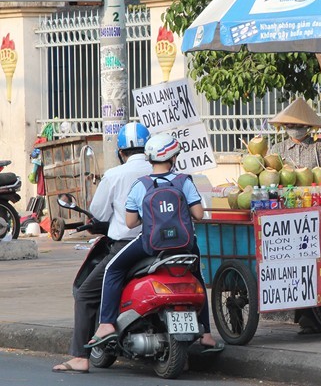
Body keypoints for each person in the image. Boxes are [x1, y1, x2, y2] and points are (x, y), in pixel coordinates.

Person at [87, 133, 223, 353]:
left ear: (150, 159)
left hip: (151, 245)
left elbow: (130, 222)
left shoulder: (140, 186)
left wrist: (149, 215)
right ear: (173, 157)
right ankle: (206, 333)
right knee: (197, 277)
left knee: (113, 269)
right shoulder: (184, 181)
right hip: (185, 246)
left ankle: (106, 324)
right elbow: (198, 214)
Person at [53, 122, 152, 374]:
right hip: (167, 245)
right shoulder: (163, 171)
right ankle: (205, 332)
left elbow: (97, 213)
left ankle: (80, 356)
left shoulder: (115, 175)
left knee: (86, 295)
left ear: (121, 152)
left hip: (126, 245)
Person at [269, 98, 321, 334]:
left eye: (298, 125)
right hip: (286, 215)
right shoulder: (276, 151)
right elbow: (269, 178)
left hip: (315, 211)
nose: (294, 129)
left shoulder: (320, 148)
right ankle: (305, 315)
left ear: (308, 127)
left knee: (319, 261)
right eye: (289, 124)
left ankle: (317, 314)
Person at [269, 97, 321, 182]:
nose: (296, 127)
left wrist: (307, 175)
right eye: (291, 125)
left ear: (309, 126)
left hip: (313, 194)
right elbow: (271, 176)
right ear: (284, 125)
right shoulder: (277, 149)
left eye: (300, 125)